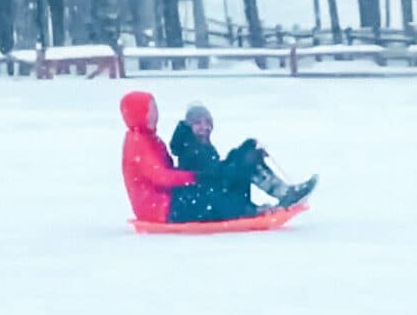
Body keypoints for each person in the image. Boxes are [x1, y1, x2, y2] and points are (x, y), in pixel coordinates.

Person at [120, 91, 249, 224]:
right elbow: (160, 176)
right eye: (150, 110)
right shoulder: (137, 143)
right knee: (212, 202)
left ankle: (244, 208)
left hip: (169, 200)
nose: (155, 114)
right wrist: (195, 177)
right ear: (138, 114)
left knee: (212, 195)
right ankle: (245, 211)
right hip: (159, 209)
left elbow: (168, 171)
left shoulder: (150, 139)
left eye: (155, 109)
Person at [170, 102, 317, 210]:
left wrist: (243, 153)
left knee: (247, 155)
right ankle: (282, 194)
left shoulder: (198, 144)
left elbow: (217, 169)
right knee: (247, 161)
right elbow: (211, 176)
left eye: (207, 123)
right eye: (198, 123)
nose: (204, 127)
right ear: (190, 126)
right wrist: (242, 160)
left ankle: (284, 193)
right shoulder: (189, 148)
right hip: (206, 200)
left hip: (213, 192)